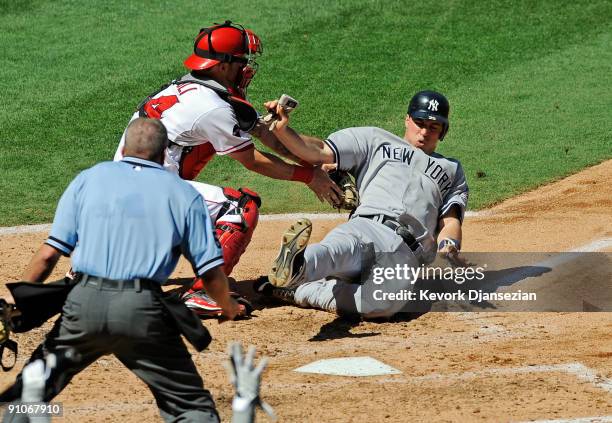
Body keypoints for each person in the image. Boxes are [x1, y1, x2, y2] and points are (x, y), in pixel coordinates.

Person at [2, 118, 238, 422]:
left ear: (124, 148)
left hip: (82, 305)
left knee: (28, 395)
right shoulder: (184, 194)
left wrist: (19, 303)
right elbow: (209, 273)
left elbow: (49, 255)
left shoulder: (89, 178)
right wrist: (227, 305)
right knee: (191, 407)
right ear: (164, 152)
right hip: (142, 312)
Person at [113, 20, 341, 316]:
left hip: (128, 187)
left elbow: (258, 129)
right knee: (240, 207)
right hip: (148, 192)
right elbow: (252, 160)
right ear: (221, 65)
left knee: (199, 155)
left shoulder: (196, 89)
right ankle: (204, 294)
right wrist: (309, 177)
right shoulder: (211, 107)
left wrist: (313, 160)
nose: (246, 68)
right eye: (241, 61)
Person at [256, 90, 469, 319]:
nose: (424, 131)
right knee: (336, 251)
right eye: (419, 122)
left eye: (433, 127)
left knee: (382, 304)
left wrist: (449, 245)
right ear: (407, 119)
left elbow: (451, 220)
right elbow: (318, 151)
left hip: (406, 253)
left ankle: (297, 289)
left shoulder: (452, 170)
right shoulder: (375, 140)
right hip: (367, 226)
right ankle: (297, 264)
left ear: (443, 131)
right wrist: (283, 131)